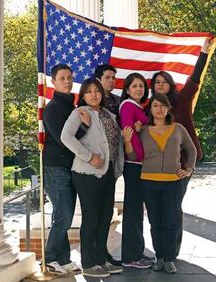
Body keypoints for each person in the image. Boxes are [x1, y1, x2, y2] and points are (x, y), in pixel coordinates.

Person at [150, 38, 214, 257]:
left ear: (170, 84)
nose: (160, 85)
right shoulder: (150, 108)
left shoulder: (182, 100)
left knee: (174, 207)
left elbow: (194, 78)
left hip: (183, 164)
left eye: (164, 82)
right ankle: (162, 251)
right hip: (157, 168)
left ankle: (172, 251)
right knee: (160, 210)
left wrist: (204, 53)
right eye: (157, 82)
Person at [61, 78, 124, 278]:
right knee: (92, 218)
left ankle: (101, 259)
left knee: (105, 217)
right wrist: (89, 157)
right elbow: (66, 137)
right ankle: (89, 262)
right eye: (89, 91)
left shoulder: (109, 115)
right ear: (83, 95)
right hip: (87, 172)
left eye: (97, 90)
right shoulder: (80, 113)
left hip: (108, 172)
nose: (94, 94)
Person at [127, 93, 196, 274]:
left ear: (168, 109)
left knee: (171, 221)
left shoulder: (178, 128)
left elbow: (192, 150)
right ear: (150, 109)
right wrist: (128, 140)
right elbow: (134, 156)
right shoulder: (142, 131)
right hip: (148, 182)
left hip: (172, 183)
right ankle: (159, 257)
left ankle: (169, 258)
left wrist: (188, 169)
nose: (159, 108)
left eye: (162, 105)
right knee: (155, 222)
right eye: (155, 105)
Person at [42, 64, 90, 275]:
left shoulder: (71, 106)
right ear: (53, 82)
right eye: (62, 78)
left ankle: (63, 258)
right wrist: (85, 127)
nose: (67, 81)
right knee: (63, 215)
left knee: (64, 215)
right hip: (55, 168)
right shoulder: (53, 108)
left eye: (70, 77)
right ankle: (50, 258)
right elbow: (65, 141)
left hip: (69, 168)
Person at [118, 73, 154, 269]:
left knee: (137, 210)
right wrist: (134, 157)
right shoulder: (128, 106)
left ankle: (138, 251)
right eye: (134, 86)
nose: (139, 89)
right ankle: (130, 257)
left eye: (141, 85)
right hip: (134, 165)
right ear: (127, 90)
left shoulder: (138, 107)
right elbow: (128, 134)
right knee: (132, 211)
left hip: (140, 165)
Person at [94, 64, 122, 266]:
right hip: (93, 165)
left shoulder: (117, 102)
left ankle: (103, 252)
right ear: (98, 79)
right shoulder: (90, 101)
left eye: (113, 77)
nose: (111, 80)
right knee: (94, 214)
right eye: (108, 77)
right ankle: (92, 255)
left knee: (106, 212)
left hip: (112, 163)